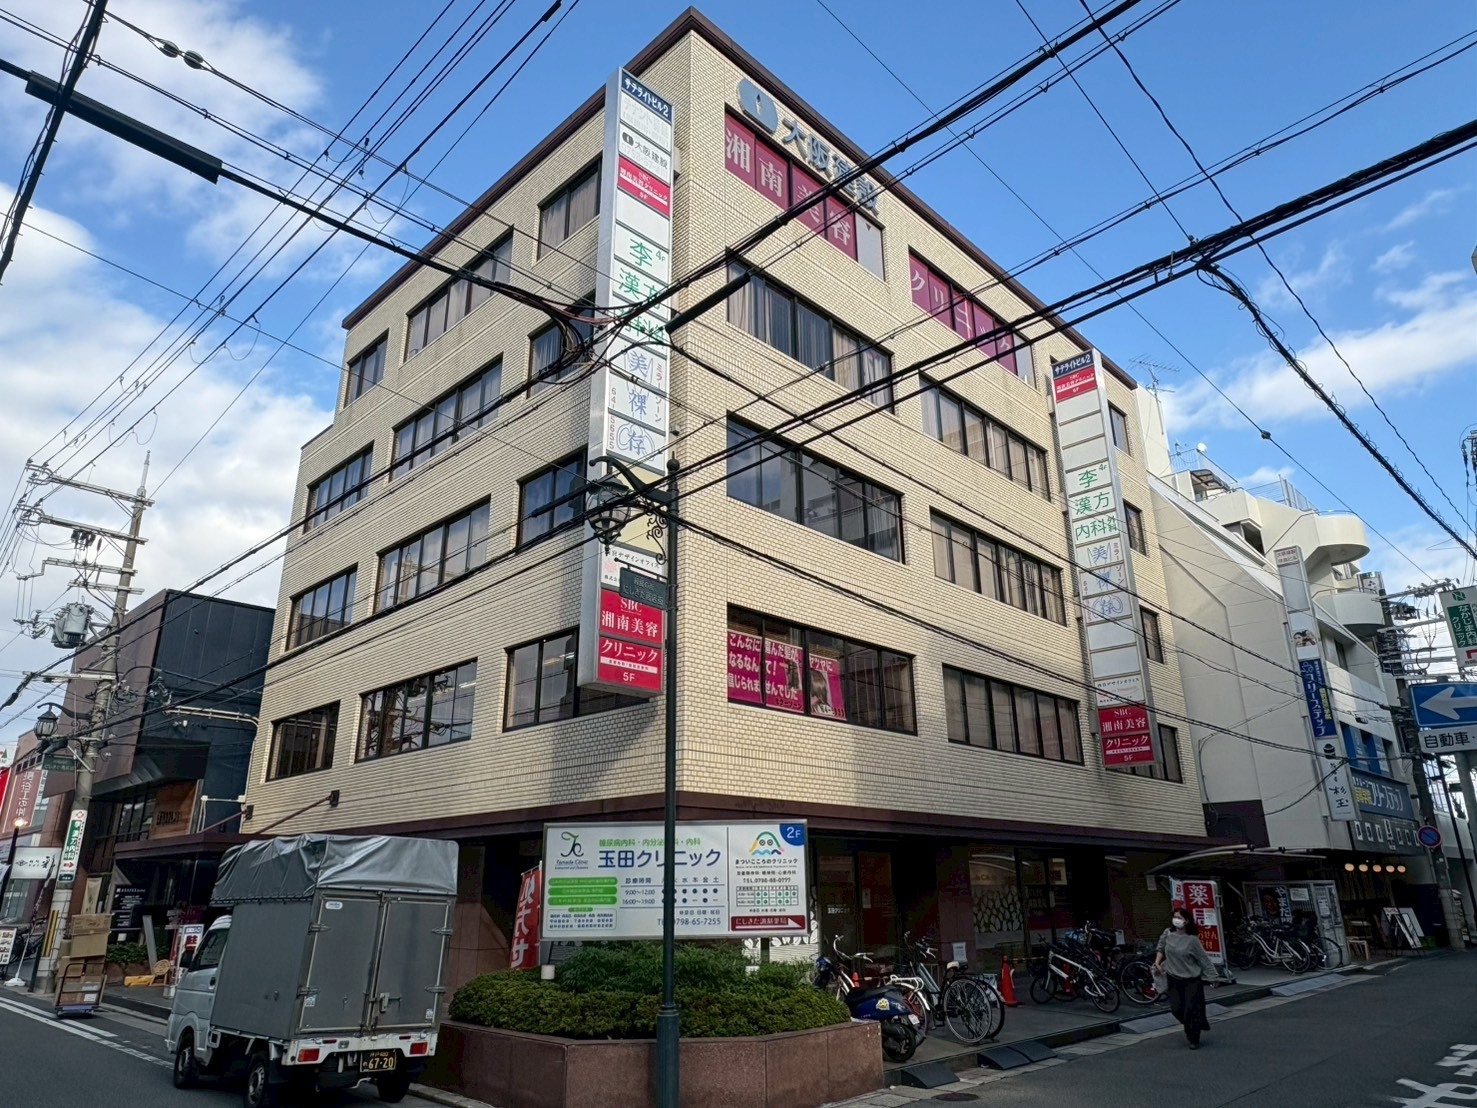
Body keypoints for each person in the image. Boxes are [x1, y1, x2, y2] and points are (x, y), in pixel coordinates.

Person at [1155, 907, 1215, 1048]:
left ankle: (1193, 1037)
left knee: (1191, 1009)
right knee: (1176, 1008)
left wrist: (1213, 977)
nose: (1176, 920)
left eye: (1179, 918)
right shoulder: (1168, 933)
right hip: (1173, 977)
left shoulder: (1192, 939)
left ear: (1186, 921)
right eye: (1175, 917)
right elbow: (1161, 947)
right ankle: (1193, 1024)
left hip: (1191, 980)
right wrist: (1157, 962)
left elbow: (1203, 959)